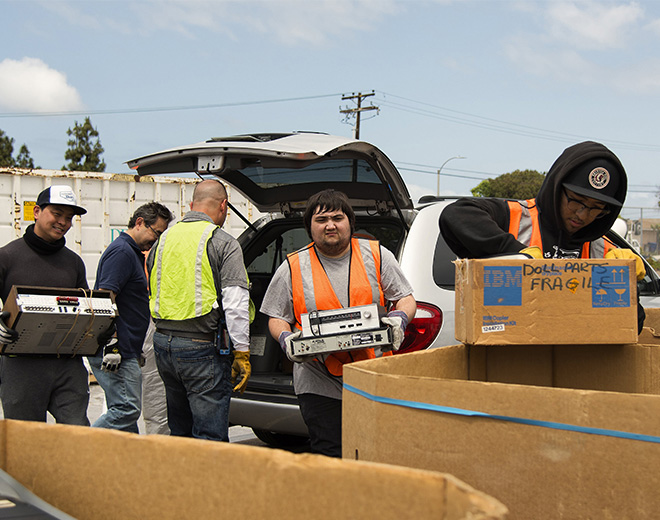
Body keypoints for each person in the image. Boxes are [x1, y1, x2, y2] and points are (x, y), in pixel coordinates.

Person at [260, 189, 416, 457]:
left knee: (374, 453)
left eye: (337, 217)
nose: (330, 225)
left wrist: (400, 319)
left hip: (372, 374)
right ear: (310, 227)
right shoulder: (293, 266)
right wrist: (286, 340)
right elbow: (277, 316)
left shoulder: (377, 255)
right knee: (329, 453)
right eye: (321, 220)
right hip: (317, 378)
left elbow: (405, 298)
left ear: (350, 223)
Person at [439, 140, 645, 330]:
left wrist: (626, 284)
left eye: (596, 208)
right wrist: (519, 256)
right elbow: (455, 214)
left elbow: (629, 327)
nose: (582, 214)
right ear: (557, 187)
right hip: (508, 355)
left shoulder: (604, 253)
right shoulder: (515, 217)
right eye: (576, 201)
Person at [0, 185, 95, 425]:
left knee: (78, 434)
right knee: (24, 440)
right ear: (36, 211)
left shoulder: (74, 263)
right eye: (57, 214)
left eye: (69, 218)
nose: (63, 222)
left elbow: (82, 308)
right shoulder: (6, 257)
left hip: (66, 365)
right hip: (21, 366)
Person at [147, 179, 251, 442]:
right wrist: (242, 352)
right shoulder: (223, 242)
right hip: (200, 350)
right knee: (210, 437)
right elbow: (235, 302)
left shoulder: (163, 240)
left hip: (163, 346)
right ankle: (208, 484)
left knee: (180, 432)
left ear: (191, 205)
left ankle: (183, 482)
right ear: (224, 205)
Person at [87, 202, 172, 433]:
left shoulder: (131, 252)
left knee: (125, 415)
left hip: (127, 348)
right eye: (156, 233)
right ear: (139, 223)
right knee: (126, 409)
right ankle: (79, 444)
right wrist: (113, 343)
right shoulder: (122, 252)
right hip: (117, 349)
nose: (155, 240)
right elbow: (106, 298)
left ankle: (128, 465)